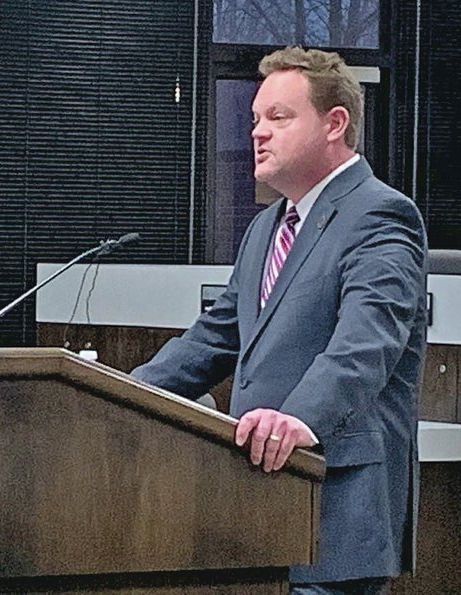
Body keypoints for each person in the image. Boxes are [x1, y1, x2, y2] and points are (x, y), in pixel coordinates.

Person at [132, 46, 427, 595]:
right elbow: (213, 338)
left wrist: (296, 417)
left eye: (279, 117)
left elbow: (366, 344)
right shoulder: (266, 227)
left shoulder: (382, 215)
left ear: (335, 123)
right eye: (254, 120)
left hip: (331, 517)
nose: (257, 133)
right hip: (262, 513)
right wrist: (124, 392)